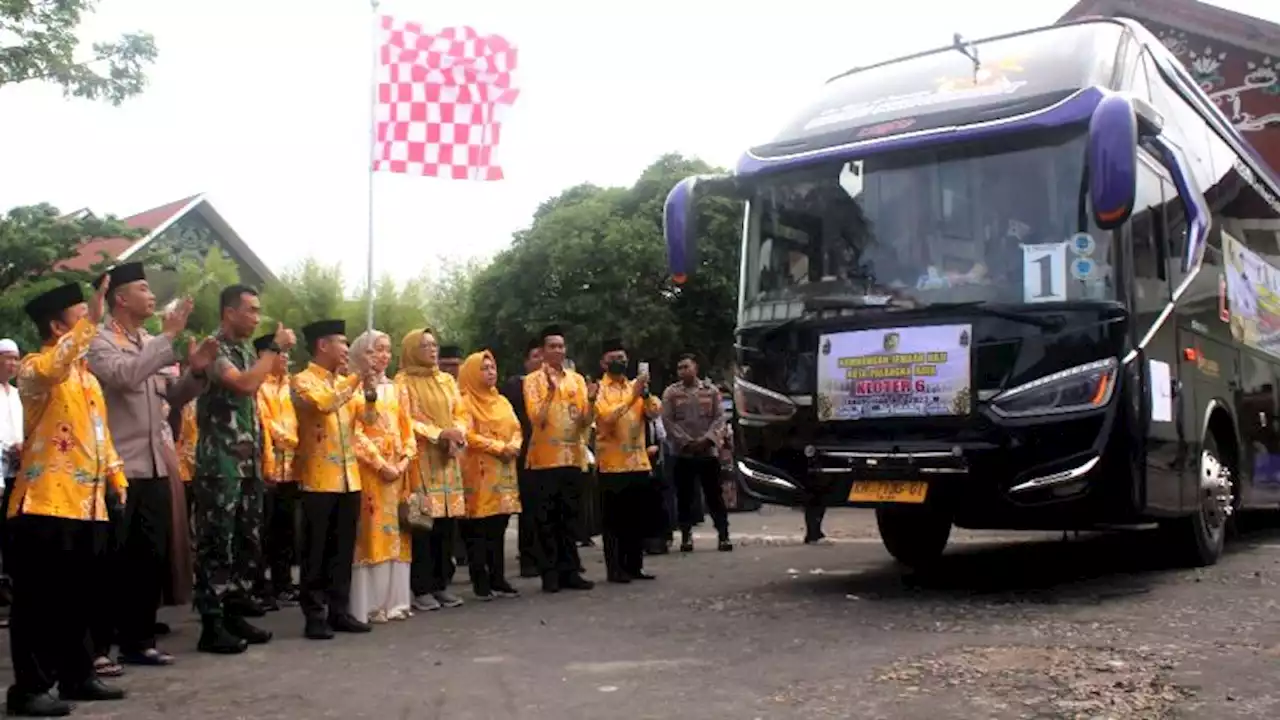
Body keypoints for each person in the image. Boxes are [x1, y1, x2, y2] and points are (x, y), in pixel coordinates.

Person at [6, 278, 127, 716]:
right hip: (43, 502)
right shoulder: (35, 370)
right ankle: (29, 688)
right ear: (59, 327)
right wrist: (92, 323)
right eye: (81, 318)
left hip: (87, 502)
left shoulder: (88, 381)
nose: (90, 326)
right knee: (39, 600)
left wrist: (116, 476)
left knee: (81, 595)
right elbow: (56, 365)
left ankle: (77, 675)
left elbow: (100, 434)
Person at [85, 262, 213, 668]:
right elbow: (124, 377)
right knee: (112, 563)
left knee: (148, 558)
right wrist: (169, 336)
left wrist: (196, 371)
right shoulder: (99, 341)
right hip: (119, 467)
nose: (152, 294)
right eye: (143, 288)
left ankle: (138, 641)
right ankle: (98, 649)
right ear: (120, 298)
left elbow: (171, 396)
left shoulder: (149, 341)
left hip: (157, 464)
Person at [192, 285, 292, 654]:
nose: (256, 317)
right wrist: (274, 349)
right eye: (250, 310)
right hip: (220, 462)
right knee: (217, 541)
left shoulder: (247, 348)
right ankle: (212, 623)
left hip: (246, 461)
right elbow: (245, 385)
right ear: (229, 312)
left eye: (258, 310)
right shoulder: (214, 347)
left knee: (247, 539)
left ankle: (235, 612)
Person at [291, 319, 374, 640]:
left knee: (342, 548)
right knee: (315, 550)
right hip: (318, 479)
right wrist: (356, 378)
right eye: (342, 342)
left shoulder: (344, 383)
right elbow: (325, 405)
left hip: (349, 478)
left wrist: (368, 392)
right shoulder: (302, 381)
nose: (346, 349)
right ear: (322, 345)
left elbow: (366, 421)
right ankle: (314, 614)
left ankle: (339, 610)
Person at [395, 329, 468, 612]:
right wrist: (440, 434)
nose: (432, 350)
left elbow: (461, 413)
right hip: (419, 461)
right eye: (424, 345)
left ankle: (442, 584)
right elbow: (406, 419)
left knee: (446, 526)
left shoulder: (447, 380)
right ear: (412, 348)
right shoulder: (403, 381)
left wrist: (457, 434)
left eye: (434, 344)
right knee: (422, 524)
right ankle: (421, 587)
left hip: (448, 462)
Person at [522, 325, 596, 593]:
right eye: (552, 346)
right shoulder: (532, 381)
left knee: (570, 517)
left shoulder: (576, 380)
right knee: (546, 519)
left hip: (573, 457)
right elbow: (536, 419)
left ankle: (571, 571)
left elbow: (586, 420)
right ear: (542, 351)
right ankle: (550, 573)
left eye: (561, 346)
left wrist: (592, 400)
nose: (557, 351)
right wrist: (551, 392)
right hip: (544, 460)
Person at [348, 330, 415, 624]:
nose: (383, 356)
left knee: (398, 532)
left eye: (387, 350)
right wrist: (379, 463)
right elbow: (355, 432)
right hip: (370, 472)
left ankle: (396, 601)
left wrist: (403, 460)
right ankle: (370, 604)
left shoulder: (398, 388)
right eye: (376, 350)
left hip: (398, 471)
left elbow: (407, 427)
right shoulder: (353, 388)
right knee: (371, 532)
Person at [593, 339, 662, 583]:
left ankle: (635, 565)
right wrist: (633, 396)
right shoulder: (598, 390)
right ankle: (615, 569)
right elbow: (607, 418)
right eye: (614, 359)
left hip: (638, 462)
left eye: (622, 358)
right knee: (614, 522)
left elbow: (654, 412)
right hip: (612, 464)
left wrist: (646, 393)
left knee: (636, 519)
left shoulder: (635, 386)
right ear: (603, 362)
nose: (619, 362)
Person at [457, 350, 522, 600]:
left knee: (499, 526)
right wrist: (499, 448)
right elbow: (468, 435)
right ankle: (480, 581)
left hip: (503, 472)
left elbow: (516, 427)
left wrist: (514, 445)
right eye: (484, 369)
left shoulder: (502, 401)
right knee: (478, 529)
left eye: (492, 367)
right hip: (478, 472)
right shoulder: (464, 401)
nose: (490, 372)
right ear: (472, 372)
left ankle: (499, 577)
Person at [662, 353, 733, 553]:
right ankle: (686, 536)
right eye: (680, 368)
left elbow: (720, 417)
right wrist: (685, 441)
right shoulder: (671, 393)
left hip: (707, 452)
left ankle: (723, 535)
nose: (683, 371)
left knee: (714, 496)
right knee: (684, 497)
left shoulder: (711, 392)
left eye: (686, 366)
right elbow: (667, 420)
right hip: (683, 453)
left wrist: (707, 439)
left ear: (696, 368)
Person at [252, 333, 300, 610]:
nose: (285, 359)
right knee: (261, 529)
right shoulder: (259, 386)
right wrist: (296, 442)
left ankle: (283, 583)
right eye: (280, 353)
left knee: (284, 530)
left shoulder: (290, 386)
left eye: (287, 354)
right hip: (267, 468)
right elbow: (266, 423)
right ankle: (260, 585)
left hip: (291, 469)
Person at [500, 337, 541, 578]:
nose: (541, 361)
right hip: (524, 453)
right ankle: (529, 559)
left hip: (553, 454)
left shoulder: (559, 383)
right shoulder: (516, 385)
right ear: (526, 362)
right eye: (535, 356)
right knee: (529, 508)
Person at [437, 343, 469, 571]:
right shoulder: (437, 387)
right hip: (438, 455)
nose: (451, 370)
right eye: (445, 365)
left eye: (455, 366)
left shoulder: (468, 389)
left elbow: (464, 418)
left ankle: (462, 551)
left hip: (465, 456)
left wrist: (458, 434)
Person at [0, 338, 23, 609]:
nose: (12, 363)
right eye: (6, 357)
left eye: (15, 359)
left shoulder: (18, 395)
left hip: (17, 472)